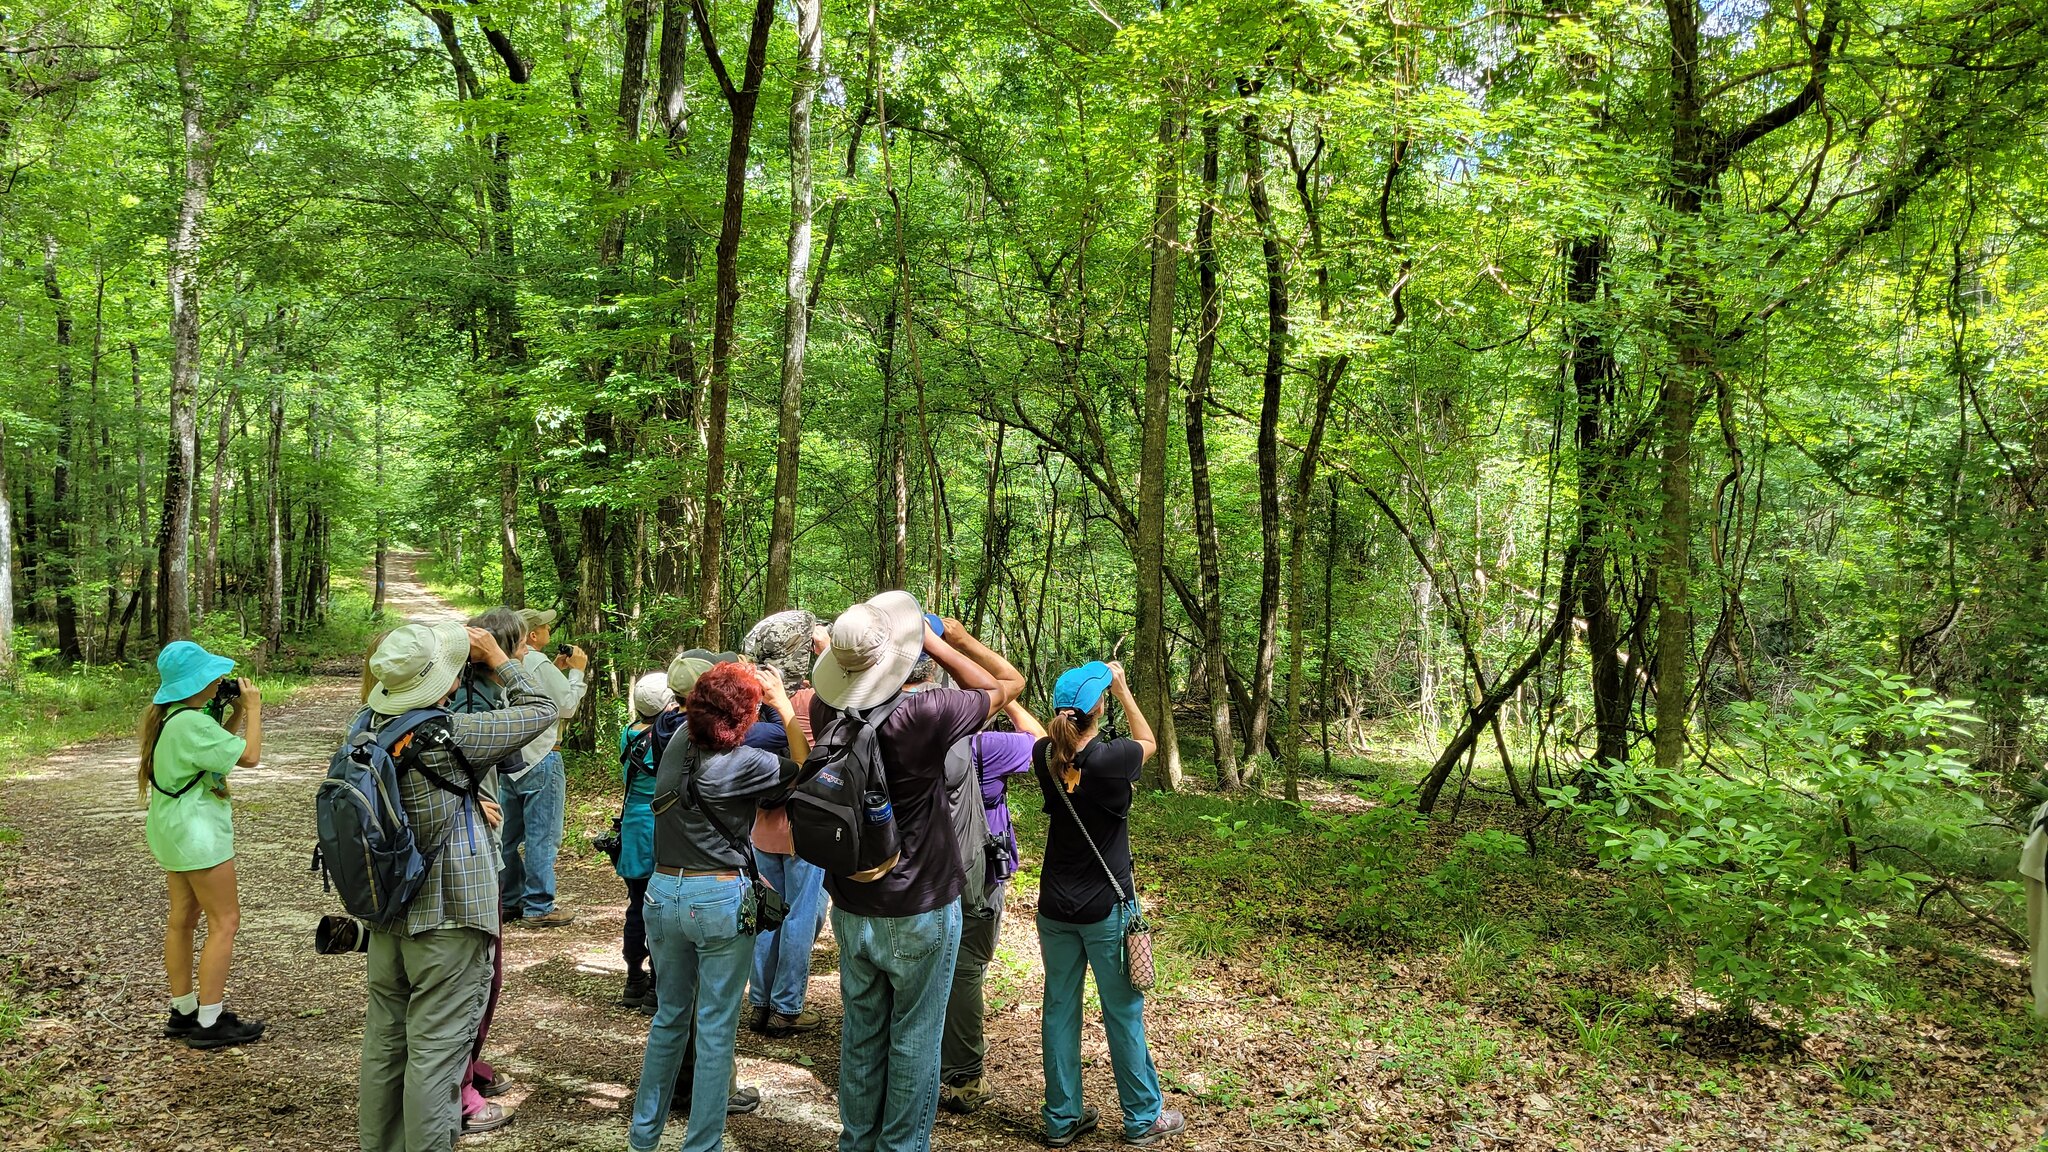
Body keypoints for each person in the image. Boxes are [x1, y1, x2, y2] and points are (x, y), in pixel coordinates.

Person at [810, 595, 1023, 1152]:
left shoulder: (827, 712)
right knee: (916, 1037)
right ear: (897, 655)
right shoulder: (925, 715)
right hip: (920, 903)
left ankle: (858, 1142)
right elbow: (1005, 686)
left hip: (851, 902)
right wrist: (932, 640)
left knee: (862, 1035)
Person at [357, 621, 557, 1152]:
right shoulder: (451, 735)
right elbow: (542, 708)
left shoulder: (367, 727)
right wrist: (500, 659)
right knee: (436, 1055)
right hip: (447, 918)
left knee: (385, 1048)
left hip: (388, 912)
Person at [629, 662, 810, 1152]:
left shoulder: (675, 744)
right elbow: (805, 768)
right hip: (717, 897)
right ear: (744, 717)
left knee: (670, 1019)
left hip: (662, 893)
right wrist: (782, 706)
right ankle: (702, 1145)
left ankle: (642, 1139)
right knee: (714, 1029)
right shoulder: (746, 762)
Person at [1032, 661, 1184, 1147]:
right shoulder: (1112, 758)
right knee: (1122, 1012)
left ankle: (1062, 1118)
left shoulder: (1043, 754)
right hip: (1106, 906)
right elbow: (1150, 741)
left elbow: (1052, 740)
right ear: (1098, 707)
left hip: (1054, 905)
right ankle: (1143, 1117)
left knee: (1059, 1008)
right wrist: (1122, 689)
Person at [141, 640, 266, 1050]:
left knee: (182, 918)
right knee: (225, 921)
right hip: (199, 835)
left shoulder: (173, 718)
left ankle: (183, 1009)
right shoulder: (192, 724)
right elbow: (250, 757)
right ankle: (210, 1021)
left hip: (172, 832)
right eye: (212, 676)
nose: (219, 681)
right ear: (197, 683)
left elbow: (214, 754)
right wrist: (253, 709)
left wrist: (233, 714)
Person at [938, 694, 1044, 1113]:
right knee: (966, 968)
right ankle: (964, 1077)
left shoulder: (900, 734)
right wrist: (1009, 700)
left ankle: (910, 1063)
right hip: (975, 873)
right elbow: (1040, 742)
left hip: (914, 867)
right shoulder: (986, 746)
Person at [740, 610, 828, 1036]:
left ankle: (760, 1001)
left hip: (761, 825)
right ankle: (787, 1007)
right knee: (799, 915)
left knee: (768, 913)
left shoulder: (749, 701)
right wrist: (826, 652)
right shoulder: (811, 701)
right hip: (802, 828)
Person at [499, 607, 587, 928]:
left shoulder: (504, 662)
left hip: (509, 756)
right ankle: (538, 905)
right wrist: (577, 672)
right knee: (543, 834)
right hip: (542, 755)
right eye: (546, 627)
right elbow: (567, 706)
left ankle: (509, 899)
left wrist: (556, 670)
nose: (551, 631)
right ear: (533, 635)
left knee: (507, 835)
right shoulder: (537, 661)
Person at [619, 671, 675, 1011]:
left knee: (637, 903)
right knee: (659, 907)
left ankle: (633, 978)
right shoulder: (668, 738)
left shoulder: (627, 734)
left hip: (632, 825)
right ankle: (656, 984)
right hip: (659, 824)